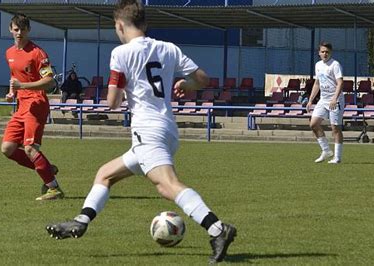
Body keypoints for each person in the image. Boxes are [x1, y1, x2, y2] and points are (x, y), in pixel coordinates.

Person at [45, 1, 236, 263]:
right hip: (167, 129)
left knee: (167, 185)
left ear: (119, 25)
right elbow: (203, 79)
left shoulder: (121, 53)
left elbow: (113, 102)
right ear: (144, 24)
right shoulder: (168, 48)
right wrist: (187, 84)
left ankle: (217, 229)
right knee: (105, 174)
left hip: (147, 130)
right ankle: (81, 221)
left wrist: (121, 88)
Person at [1, 13, 64, 201]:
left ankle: (54, 188)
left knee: (29, 148)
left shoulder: (38, 53)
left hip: (36, 104)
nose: (19, 32)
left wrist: (23, 87)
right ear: (10, 30)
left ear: (28, 30)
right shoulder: (9, 53)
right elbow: (15, 79)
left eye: (23, 29)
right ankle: (47, 168)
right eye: (16, 29)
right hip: (21, 105)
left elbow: (50, 81)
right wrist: (12, 92)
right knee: (8, 148)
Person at [306, 42, 345, 164]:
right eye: (322, 51)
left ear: (330, 52)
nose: (325, 54)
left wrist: (334, 98)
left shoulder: (335, 64)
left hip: (335, 100)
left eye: (327, 52)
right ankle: (326, 150)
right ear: (319, 53)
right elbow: (317, 83)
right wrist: (311, 100)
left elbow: (340, 83)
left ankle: (337, 157)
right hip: (323, 100)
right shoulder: (318, 65)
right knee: (313, 124)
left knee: (335, 128)